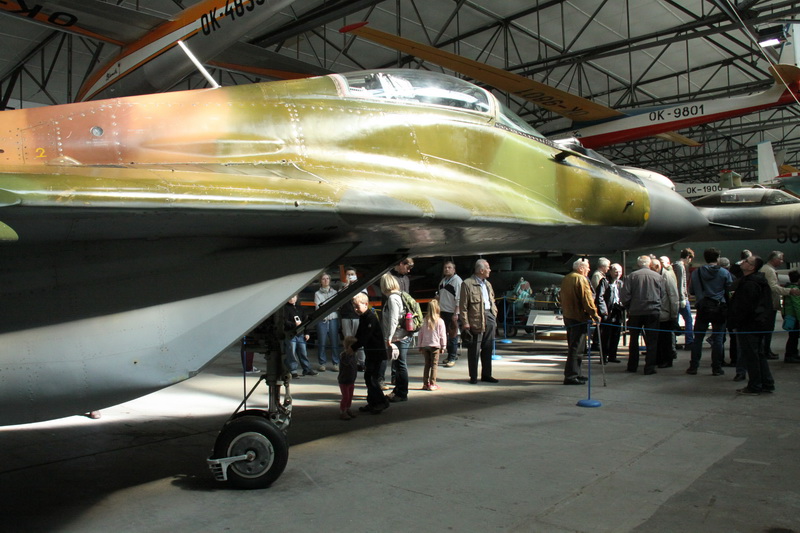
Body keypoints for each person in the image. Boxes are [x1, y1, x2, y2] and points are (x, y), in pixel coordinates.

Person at [727, 255, 774, 395]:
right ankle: (767, 382)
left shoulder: (750, 284)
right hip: (757, 323)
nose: (743, 262)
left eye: (747, 261)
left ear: (752, 267)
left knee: (752, 356)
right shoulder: (755, 280)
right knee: (758, 354)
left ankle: (755, 385)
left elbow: (744, 307)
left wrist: (736, 321)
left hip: (749, 325)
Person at [686, 248, 733, 376]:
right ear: (718, 258)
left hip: (703, 307)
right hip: (719, 307)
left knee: (698, 339)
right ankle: (716, 367)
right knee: (718, 339)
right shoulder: (724, 272)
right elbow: (729, 288)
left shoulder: (697, 272)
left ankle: (694, 366)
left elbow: (692, 290)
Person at [620, 255, 664, 375]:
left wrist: (629, 306)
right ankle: (649, 367)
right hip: (653, 311)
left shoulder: (631, 276)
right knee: (652, 341)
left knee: (633, 340)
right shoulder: (658, 276)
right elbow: (662, 294)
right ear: (649, 264)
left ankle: (632, 366)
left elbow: (625, 295)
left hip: (636, 312)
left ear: (638, 264)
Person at [560, 258, 601, 384]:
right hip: (578, 317)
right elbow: (587, 299)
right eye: (587, 267)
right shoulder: (581, 279)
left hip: (568, 316)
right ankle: (572, 376)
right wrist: (595, 315)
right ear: (581, 268)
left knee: (573, 346)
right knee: (577, 348)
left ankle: (576, 373)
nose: (589, 269)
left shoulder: (567, 278)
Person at [459, 259, 499, 384]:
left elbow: (492, 300)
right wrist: (465, 323)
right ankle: (474, 376)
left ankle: (487, 374)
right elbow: (463, 306)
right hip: (475, 319)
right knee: (474, 349)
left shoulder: (487, 284)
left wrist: (494, 313)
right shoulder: (467, 284)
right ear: (481, 270)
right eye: (488, 267)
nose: (490, 270)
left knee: (488, 348)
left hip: (489, 317)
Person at [352, 293, 390, 414]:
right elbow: (359, 335)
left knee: (372, 378)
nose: (356, 309)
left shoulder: (371, 318)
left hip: (377, 353)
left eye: (358, 306)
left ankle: (381, 402)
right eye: (354, 307)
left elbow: (365, 337)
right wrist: (352, 343)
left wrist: (353, 347)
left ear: (366, 304)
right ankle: (372, 402)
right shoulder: (363, 317)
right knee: (368, 377)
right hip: (370, 353)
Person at [762, 251, 800, 361]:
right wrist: (789, 291)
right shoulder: (769, 270)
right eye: (781, 259)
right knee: (768, 329)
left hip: (771, 303)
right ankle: (765, 350)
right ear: (774, 259)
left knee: (769, 329)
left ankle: (766, 350)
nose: (782, 261)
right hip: (769, 303)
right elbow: (773, 287)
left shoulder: (769, 269)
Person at [380, 273, 411, 402]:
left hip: (398, 337)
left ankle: (402, 393)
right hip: (401, 335)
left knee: (400, 365)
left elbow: (393, 320)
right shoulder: (397, 296)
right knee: (398, 365)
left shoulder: (392, 298)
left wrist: (388, 337)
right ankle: (398, 390)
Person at [279, 295, 317, 378]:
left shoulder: (300, 308)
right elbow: (284, 321)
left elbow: (306, 321)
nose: (292, 299)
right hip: (290, 334)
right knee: (291, 354)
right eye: (290, 297)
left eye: (294, 297)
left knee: (303, 353)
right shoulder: (284, 309)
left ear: (296, 298)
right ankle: (293, 371)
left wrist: (307, 333)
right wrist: (294, 325)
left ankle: (307, 369)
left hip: (300, 334)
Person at [596, 263, 624, 363]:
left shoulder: (620, 283)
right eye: (616, 271)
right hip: (608, 312)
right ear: (610, 271)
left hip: (617, 311)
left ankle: (613, 355)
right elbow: (599, 297)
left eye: (620, 272)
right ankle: (603, 357)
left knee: (616, 335)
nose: (618, 273)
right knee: (606, 336)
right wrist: (604, 312)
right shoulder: (605, 282)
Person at [339, 267, 366, 370]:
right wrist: (345, 288)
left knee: (358, 339)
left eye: (352, 274)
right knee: (347, 340)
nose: (350, 276)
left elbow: (363, 299)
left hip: (357, 316)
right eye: (348, 274)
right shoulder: (342, 287)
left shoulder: (361, 286)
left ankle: (361, 362)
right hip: (346, 316)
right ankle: (350, 360)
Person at [437, 260, 463, 367]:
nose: (447, 269)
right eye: (445, 268)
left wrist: (456, 314)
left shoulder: (457, 281)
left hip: (452, 313)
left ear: (454, 269)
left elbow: (459, 299)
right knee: (445, 335)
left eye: (449, 267)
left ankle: (452, 357)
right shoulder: (443, 281)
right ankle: (450, 355)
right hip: (443, 312)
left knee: (453, 336)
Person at [314, 272, 340, 372]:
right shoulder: (317, 293)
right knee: (322, 342)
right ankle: (322, 363)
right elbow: (318, 307)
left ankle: (336, 362)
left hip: (333, 319)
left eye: (327, 279)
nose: (326, 280)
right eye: (323, 279)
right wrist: (329, 307)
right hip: (322, 320)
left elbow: (336, 306)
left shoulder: (334, 292)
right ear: (321, 281)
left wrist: (326, 306)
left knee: (334, 341)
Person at [418, 299, 446, 390]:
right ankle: (433, 384)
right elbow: (442, 335)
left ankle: (425, 384)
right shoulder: (440, 321)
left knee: (427, 365)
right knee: (434, 365)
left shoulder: (424, 320)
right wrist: (443, 346)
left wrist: (420, 345)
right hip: (435, 346)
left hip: (425, 345)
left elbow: (420, 334)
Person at [657, 256, 679, 368]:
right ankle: (661, 358)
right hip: (660, 312)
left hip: (666, 312)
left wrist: (674, 314)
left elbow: (673, 295)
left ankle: (667, 359)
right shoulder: (659, 275)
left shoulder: (667, 276)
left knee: (666, 339)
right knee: (661, 338)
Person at [674, 248, 695, 350]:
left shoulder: (676, 265)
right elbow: (680, 283)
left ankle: (673, 342)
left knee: (675, 320)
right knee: (688, 319)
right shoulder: (680, 266)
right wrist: (683, 297)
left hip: (677, 297)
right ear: (688, 257)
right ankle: (689, 341)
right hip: (680, 297)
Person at [338, 336, 359, 419]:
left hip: (351, 380)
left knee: (350, 396)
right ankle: (342, 411)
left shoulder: (354, 355)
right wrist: (349, 353)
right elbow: (346, 363)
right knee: (345, 397)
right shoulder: (344, 355)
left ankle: (347, 408)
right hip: (344, 380)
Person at [783, 270, 800, 363]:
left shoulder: (788, 288)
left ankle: (793, 353)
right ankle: (790, 355)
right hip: (793, 316)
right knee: (793, 337)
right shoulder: (794, 290)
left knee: (793, 336)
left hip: (790, 315)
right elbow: (797, 305)